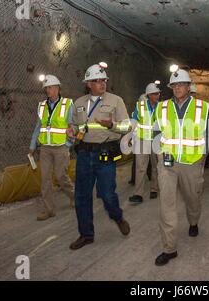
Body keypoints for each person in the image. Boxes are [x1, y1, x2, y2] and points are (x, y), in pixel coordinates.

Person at [67, 62, 131, 250]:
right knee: (82, 196)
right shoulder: (78, 103)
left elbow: (127, 127)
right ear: (88, 83)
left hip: (105, 155)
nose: (102, 83)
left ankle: (117, 217)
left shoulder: (115, 100)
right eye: (97, 81)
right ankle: (86, 234)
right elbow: (78, 127)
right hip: (85, 155)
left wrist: (112, 125)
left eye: (104, 80)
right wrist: (72, 131)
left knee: (106, 194)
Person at [152, 66, 209, 266]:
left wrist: (204, 156)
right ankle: (169, 248)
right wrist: (159, 153)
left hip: (192, 162)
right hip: (167, 162)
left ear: (189, 87)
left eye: (181, 84)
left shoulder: (202, 107)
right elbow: (156, 132)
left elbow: (208, 133)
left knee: (193, 198)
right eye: (174, 85)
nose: (177, 88)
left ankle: (193, 221)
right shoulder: (162, 107)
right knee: (166, 205)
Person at [29, 75, 74, 221]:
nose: (48, 90)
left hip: (61, 147)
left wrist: (68, 144)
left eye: (50, 87)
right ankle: (49, 210)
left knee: (61, 176)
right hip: (45, 149)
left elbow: (72, 127)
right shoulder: (42, 106)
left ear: (57, 88)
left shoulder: (67, 104)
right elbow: (38, 127)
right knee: (45, 179)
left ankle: (74, 196)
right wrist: (32, 146)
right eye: (46, 88)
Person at [128, 83, 161, 203]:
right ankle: (138, 194)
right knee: (140, 167)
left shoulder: (161, 107)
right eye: (154, 93)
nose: (157, 95)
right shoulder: (140, 106)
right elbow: (134, 121)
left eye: (158, 93)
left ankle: (154, 189)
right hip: (142, 140)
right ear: (148, 95)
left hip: (156, 140)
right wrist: (130, 137)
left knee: (156, 166)